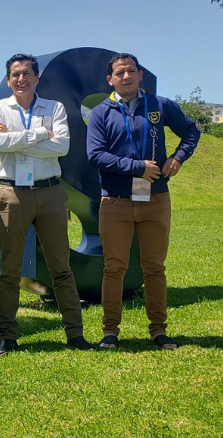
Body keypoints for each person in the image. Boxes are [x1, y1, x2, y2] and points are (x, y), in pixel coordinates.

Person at [86, 53, 200, 351]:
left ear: (140, 76)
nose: (126, 77)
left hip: (155, 198)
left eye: (131, 71)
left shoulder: (160, 105)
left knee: (154, 267)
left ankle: (158, 330)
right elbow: (95, 155)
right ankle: (110, 332)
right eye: (120, 73)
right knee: (114, 267)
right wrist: (137, 167)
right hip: (115, 201)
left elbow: (191, 131)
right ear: (109, 79)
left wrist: (178, 157)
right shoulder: (102, 112)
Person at [0, 54, 93, 353]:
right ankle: (7, 334)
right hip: (12, 193)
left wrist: (18, 138)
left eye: (27, 74)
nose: (21, 79)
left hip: (49, 193)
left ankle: (75, 333)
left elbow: (62, 146)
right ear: (8, 80)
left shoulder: (54, 107)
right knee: (10, 269)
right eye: (15, 75)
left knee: (61, 267)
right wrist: (40, 134)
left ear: (37, 78)